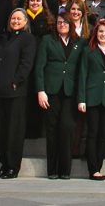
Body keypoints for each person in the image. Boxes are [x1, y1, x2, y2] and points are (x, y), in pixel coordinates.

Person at [34, 12, 84, 179]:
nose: (62, 25)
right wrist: (41, 91)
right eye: (59, 22)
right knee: (52, 129)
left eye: (65, 22)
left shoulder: (79, 42)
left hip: (70, 92)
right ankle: (53, 169)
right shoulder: (48, 40)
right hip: (51, 91)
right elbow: (39, 67)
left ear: (71, 25)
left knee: (67, 128)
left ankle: (65, 169)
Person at [0, 9, 37, 179]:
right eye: (13, 18)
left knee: (14, 131)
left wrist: (16, 80)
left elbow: (26, 63)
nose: (15, 21)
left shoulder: (28, 39)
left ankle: (12, 166)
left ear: (25, 22)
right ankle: (3, 165)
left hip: (16, 91)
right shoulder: (4, 38)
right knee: (2, 130)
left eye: (19, 19)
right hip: (0, 90)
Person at [78, 20, 105, 180]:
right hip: (92, 97)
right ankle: (92, 168)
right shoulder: (88, 51)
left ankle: (98, 166)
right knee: (93, 133)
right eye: (101, 31)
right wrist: (82, 99)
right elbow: (82, 75)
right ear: (96, 33)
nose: (103, 35)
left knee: (103, 134)